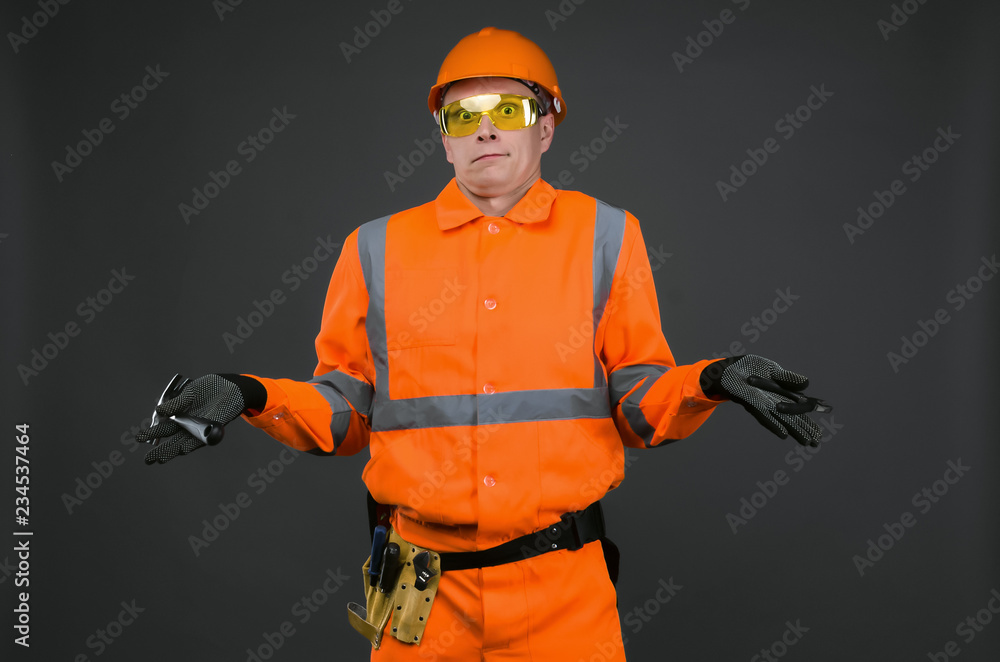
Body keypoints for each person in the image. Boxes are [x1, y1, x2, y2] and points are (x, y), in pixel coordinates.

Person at [137, 27, 830, 661]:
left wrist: (710, 380)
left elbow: (640, 406)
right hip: (419, 597)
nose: (487, 129)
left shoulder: (606, 235)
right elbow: (344, 412)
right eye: (463, 115)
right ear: (442, 136)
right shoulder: (375, 249)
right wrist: (250, 394)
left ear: (548, 126)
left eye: (511, 110)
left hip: (564, 594)